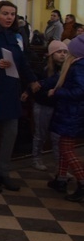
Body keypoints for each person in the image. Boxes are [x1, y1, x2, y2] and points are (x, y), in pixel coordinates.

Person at [0, 1, 41, 193]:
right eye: (5, 13)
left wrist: (32, 80)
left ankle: (3, 172)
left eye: (12, 14)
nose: (9, 17)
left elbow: (22, 61)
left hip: (10, 92)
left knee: (10, 135)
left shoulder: (13, 36)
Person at [46, 34, 84, 202]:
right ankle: (61, 179)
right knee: (64, 146)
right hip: (71, 112)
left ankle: (82, 182)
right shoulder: (77, 65)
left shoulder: (78, 67)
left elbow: (80, 91)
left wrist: (58, 92)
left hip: (73, 112)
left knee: (67, 149)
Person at [25, 41, 67, 171]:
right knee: (40, 134)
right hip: (43, 105)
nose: (62, 55)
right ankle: (36, 159)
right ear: (51, 54)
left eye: (65, 52)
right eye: (59, 52)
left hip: (58, 106)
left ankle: (59, 166)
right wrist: (46, 93)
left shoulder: (66, 68)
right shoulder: (42, 68)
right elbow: (34, 87)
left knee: (57, 137)